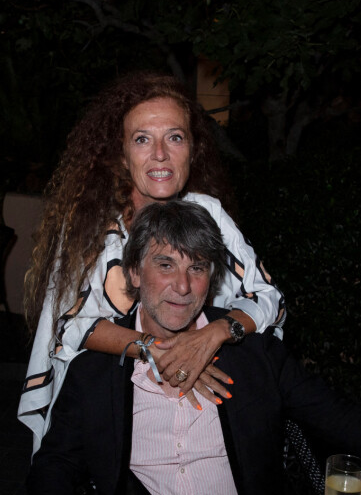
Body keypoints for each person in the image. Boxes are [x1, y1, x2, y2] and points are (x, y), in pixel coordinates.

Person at [27, 201, 361, 495]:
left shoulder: (254, 357)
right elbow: (55, 466)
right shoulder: (95, 371)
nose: (182, 286)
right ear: (135, 274)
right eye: (165, 265)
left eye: (197, 268)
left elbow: (354, 423)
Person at [19, 72, 285, 453]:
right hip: (103, 406)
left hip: (196, 404)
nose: (160, 154)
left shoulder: (207, 213)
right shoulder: (92, 223)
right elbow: (67, 326)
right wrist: (154, 347)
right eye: (142, 139)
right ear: (123, 156)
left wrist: (209, 336)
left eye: (174, 137)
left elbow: (268, 299)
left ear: (192, 151)